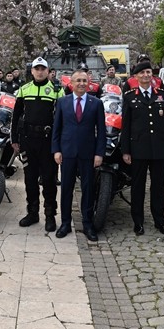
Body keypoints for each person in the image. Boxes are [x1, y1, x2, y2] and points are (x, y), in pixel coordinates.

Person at [120, 59, 164, 235]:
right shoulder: (130, 96)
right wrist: (126, 150)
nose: (146, 75)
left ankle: (159, 220)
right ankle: (138, 221)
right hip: (138, 148)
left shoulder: (162, 95)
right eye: (142, 73)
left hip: (159, 148)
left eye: (148, 72)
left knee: (158, 187)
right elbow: (126, 125)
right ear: (136, 76)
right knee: (138, 187)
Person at [52, 67, 107, 240]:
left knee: (88, 189)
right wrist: (56, 150)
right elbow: (57, 128)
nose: (82, 83)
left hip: (88, 152)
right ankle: (66, 223)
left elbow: (101, 131)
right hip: (67, 152)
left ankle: (88, 224)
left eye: (85, 80)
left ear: (89, 83)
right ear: (71, 83)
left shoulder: (96, 103)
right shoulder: (62, 102)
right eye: (78, 81)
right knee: (66, 188)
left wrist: (99, 153)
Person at [11, 57, 64, 231]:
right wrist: (14, 140)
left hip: (48, 141)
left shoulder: (57, 90)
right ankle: (32, 213)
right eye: (37, 69)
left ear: (48, 71)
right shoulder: (24, 89)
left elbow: (63, 118)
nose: (40, 72)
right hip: (28, 141)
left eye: (43, 69)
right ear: (32, 71)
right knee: (30, 179)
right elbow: (15, 116)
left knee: (49, 180)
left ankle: (50, 215)